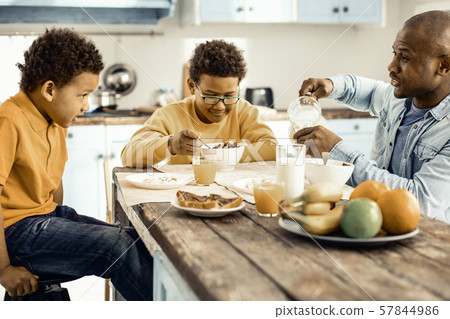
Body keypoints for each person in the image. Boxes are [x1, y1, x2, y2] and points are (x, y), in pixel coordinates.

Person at [0, 28, 153, 300]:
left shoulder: (54, 119)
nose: (86, 105)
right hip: (14, 234)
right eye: (82, 95)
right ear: (49, 89)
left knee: (135, 238)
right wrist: (3, 269)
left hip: (44, 219)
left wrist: (65, 230)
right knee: (115, 246)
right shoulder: (9, 120)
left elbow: (53, 187)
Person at [294, 10, 450, 224]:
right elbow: (369, 91)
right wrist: (332, 85)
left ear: (444, 65)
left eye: (404, 57)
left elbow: (418, 200)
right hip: (372, 223)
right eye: (394, 54)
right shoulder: (399, 99)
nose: (391, 66)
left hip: (427, 242)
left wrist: (338, 151)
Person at [121, 39, 277, 168]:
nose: (220, 106)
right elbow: (128, 156)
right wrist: (171, 144)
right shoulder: (169, 115)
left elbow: (272, 148)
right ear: (191, 86)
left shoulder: (244, 111)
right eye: (210, 96)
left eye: (229, 96)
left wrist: (223, 154)